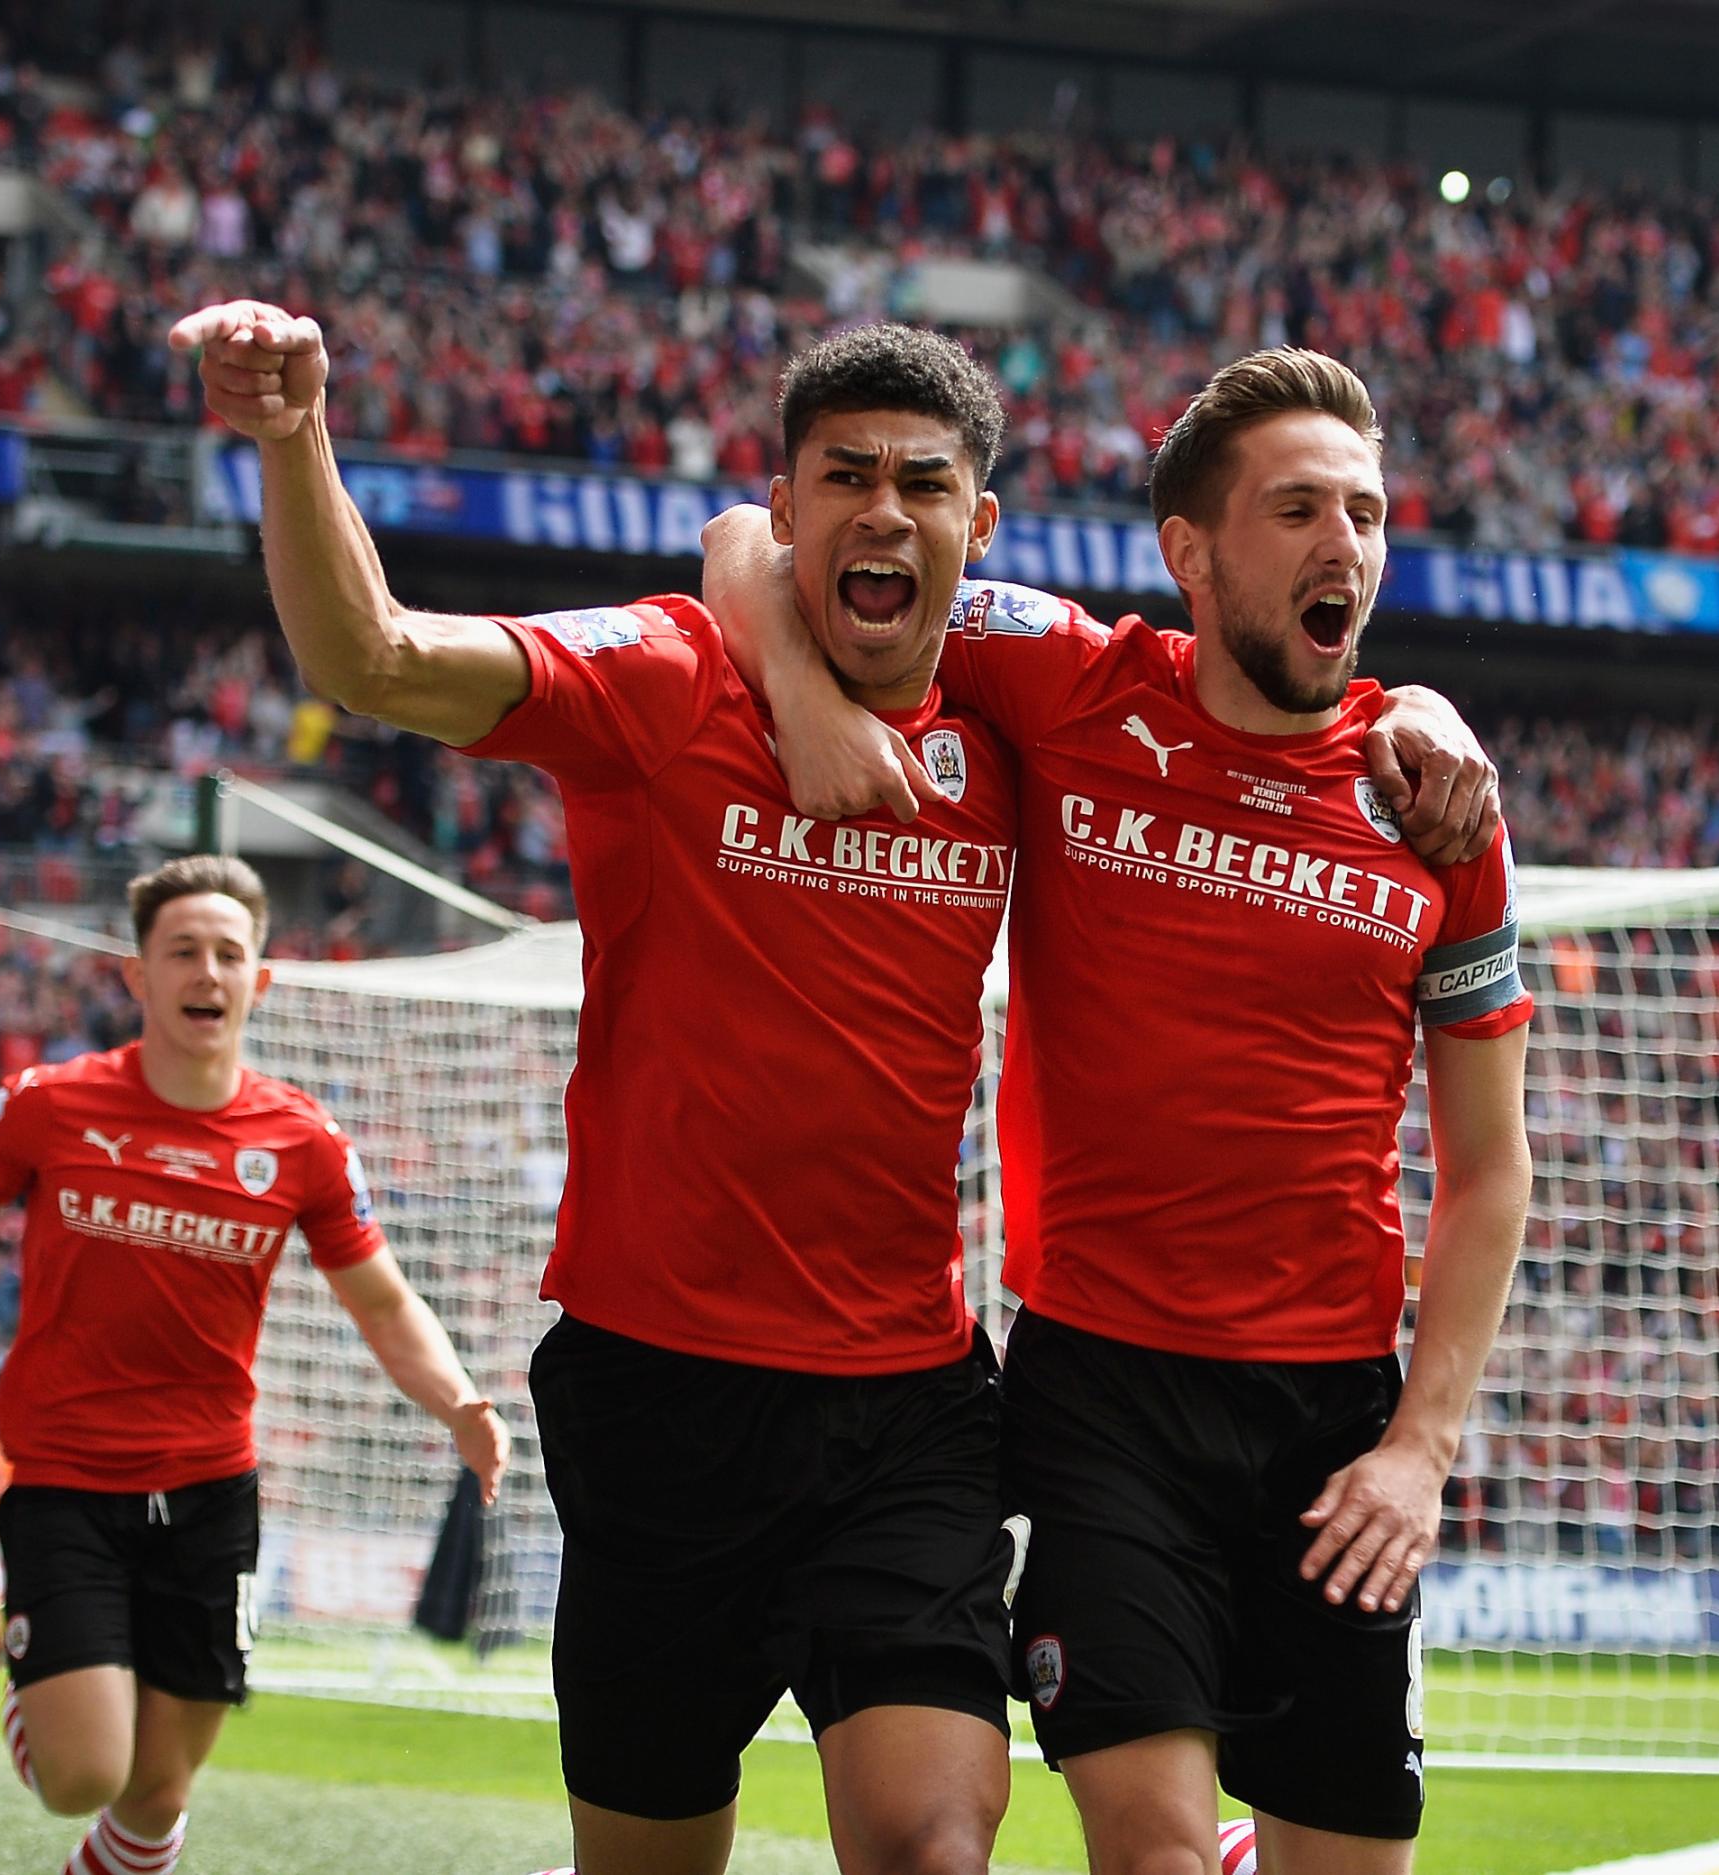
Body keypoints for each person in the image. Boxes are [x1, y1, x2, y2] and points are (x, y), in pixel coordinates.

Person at [169, 300, 1493, 1875]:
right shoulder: (677, 676)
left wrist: (1417, 703)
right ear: (792, 512)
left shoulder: (1029, 719)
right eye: (844, 478)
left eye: (924, 484)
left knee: (936, 1844)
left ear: (977, 524)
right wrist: (293, 431)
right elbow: (371, 654)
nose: (887, 510)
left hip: (909, 1407)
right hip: (660, 1389)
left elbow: (1274, 681)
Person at [709, 346, 1532, 1875]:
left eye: (1365, 512)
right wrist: (810, 698)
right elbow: (754, 546)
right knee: (1145, 1853)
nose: (1342, 541)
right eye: (1297, 508)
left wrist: (1421, 1444)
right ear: (1189, 552)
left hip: (1333, 1414)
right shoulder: (1071, 679)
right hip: (1101, 1399)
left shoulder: (1437, 808)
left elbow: (1490, 1170)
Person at [0, 854, 509, 1875]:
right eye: (183, 951)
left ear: (259, 981)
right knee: (84, 1777)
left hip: (212, 1495)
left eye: (230, 953)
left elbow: (384, 1302)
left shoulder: (303, 1143)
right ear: (137, 976)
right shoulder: (49, 1107)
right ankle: (12, 1643)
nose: (207, 972)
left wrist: (458, 1401)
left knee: (155, 1800)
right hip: (67, 1485)